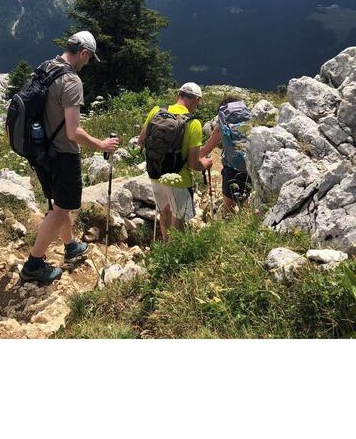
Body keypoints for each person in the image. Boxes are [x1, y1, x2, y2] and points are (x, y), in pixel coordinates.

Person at [20, 30, 120, 284]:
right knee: (60, 208)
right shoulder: (72, 81)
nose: (87, 64)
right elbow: (73, 131)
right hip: (62, 153)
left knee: (58, 202)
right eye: (88, 59)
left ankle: (71, 245)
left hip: (41, 149)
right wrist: (102, 145)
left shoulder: (47, 67)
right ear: (83, 53)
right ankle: (33, 263)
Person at [138, 82, 212, 241]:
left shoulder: (156, 111)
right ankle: (175, 257)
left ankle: (166, 248)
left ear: (179, 95)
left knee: (164, 214)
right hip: (179, 180)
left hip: (155, 174)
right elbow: (193, 164)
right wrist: (205, 164)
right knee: (178, 222)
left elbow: (141, 140)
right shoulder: (193, 123)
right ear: (196, 100)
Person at [199, 95, 252, 215]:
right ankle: (248, 227)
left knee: (228, 209)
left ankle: (229, 228)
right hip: (250, 168)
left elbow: (205, 150)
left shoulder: (222, 125)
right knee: (247, 207)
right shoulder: (248, 121)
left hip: (231, 170)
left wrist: (190, 153)